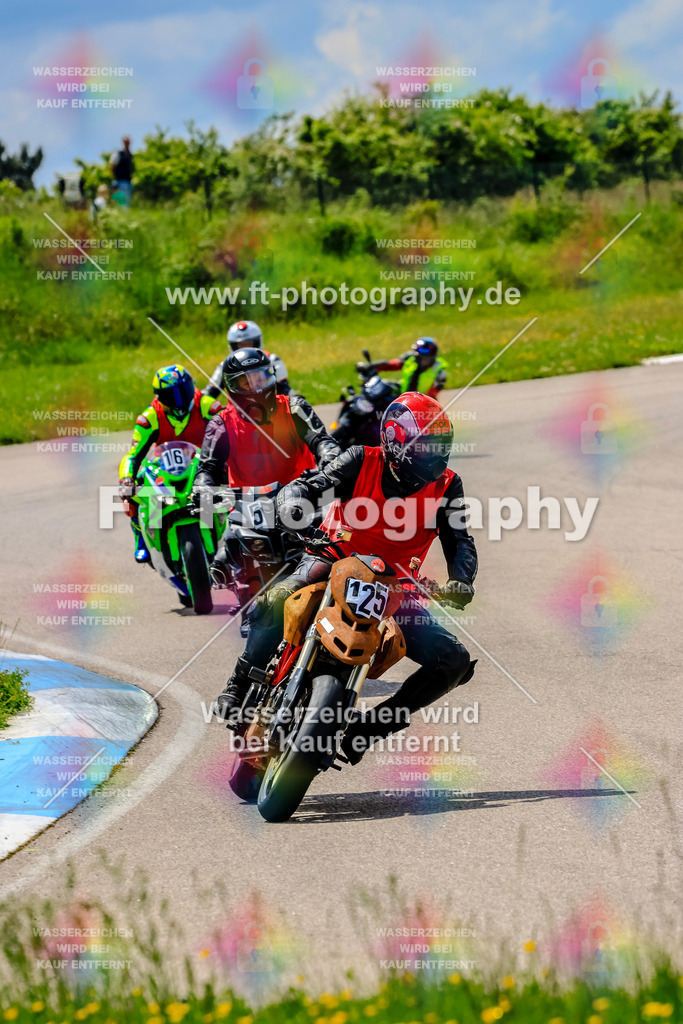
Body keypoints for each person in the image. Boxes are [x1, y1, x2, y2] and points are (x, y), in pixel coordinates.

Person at [216, 392, 477, 763]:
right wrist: (293, 506)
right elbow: (309, 485)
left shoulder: (448, 485)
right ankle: (239, 682)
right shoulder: (361, 459)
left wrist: (462, 580)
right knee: (275, 599)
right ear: (395, 440)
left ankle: (369, 730)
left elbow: (460, 541)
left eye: (440, 446)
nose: (434, 456)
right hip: (332, 558)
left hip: (393, 588)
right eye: (425, 447)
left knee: (454, 661)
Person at [194, 347, 341, 582]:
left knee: (342, 545)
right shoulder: (220, 425)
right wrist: (203, 489)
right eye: (246, 382)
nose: (256, 387)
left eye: (261, 377)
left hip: (304, 495)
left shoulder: (295, 408)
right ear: (231, 386)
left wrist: (330, 457)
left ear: (272, 376)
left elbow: (322, 440)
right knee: (226, 555)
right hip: (247, 506)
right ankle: (233, 576)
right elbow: (207, 469)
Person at [119, 365, 222, 563]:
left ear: (191, 387)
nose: (178, 400)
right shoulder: (150, 418)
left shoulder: (208, 406)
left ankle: (238, 528)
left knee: (238, 483)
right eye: (170, 395)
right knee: (131, 496)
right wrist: (126, 479)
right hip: (166, 469)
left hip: (205, 465)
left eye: (182, 391)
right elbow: (133, 455)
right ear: (159, 396)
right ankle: (140, 538)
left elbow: (232, 436)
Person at [203, 320, 291, 398]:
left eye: (248, 343)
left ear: (257, 342)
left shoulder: (272, 360)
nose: (245, 348)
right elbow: (210, 392)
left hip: (269, 410)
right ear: (233, 346)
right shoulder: (226, 367)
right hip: (236, 414)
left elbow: (286, 391)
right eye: (240, 345)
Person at [356, 337, 448, 399]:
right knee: (380, 389)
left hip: (420, 404)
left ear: (432, 353)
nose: (419, 354)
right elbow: (391, 364)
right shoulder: (410, 358)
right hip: (401, 394)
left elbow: (431, 396)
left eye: (424, 350)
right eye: (417, 350)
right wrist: (371, 366)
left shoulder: (439, 373)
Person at [109, 136, 134, 207]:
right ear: (123, 142)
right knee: (122, 202)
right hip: (120, 181)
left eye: (128, 142)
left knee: (127, 201)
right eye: (125, 142)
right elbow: (112, 166)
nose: (127, 144)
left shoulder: (130, 154)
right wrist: (115, 179)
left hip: (128, 181)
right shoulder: (118, 153)